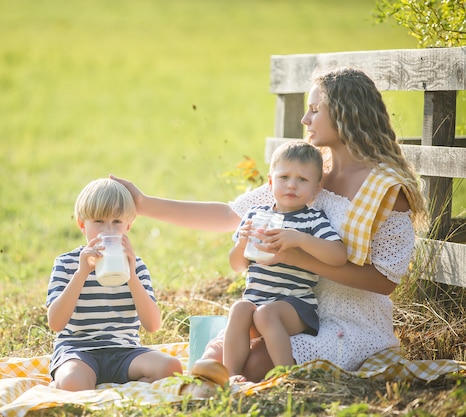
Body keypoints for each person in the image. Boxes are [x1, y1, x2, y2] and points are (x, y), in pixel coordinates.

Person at [111, 67, 428, 382]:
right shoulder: (306, 174)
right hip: (281, 306)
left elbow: (385, 281)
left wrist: (299, 258)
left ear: (347, 115)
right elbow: (228, 215)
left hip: (349, 321)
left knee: (255, 365)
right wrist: (143, 203)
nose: (305, 120)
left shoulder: (385, 189)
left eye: (315, 110)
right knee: (215, 357)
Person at [224, 140, 347, 382]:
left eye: (302, 180)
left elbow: (338, 255)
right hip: (257, 300)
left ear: (316, 188)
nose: (291, 185)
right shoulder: (256, 216)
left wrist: (300, 240)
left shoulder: (312, 220)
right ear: (270, 182)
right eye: (284, 177)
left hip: (296, 307)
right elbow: (238, 265)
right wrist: (241, 244)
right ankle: (230, 377)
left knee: (266, 315)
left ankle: (287, 378)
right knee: (239, 308)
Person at [46, 178, 182, 391]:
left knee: (171, 367)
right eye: (99, 221)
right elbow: (55, 323)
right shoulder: (67, 264)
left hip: (124, 351)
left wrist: (131, 276)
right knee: (73, 381)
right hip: (78, 351)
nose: (107, 231)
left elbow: (153, 325)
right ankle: (78, 382)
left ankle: (116, 386)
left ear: (129, 225)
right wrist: (82, 273)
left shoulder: (136, 266)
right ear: (82, 224)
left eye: (117, 222)